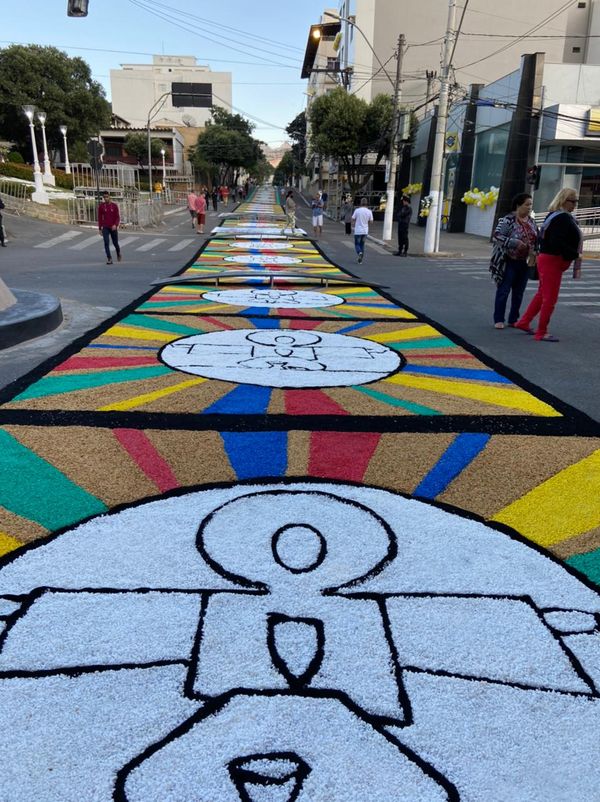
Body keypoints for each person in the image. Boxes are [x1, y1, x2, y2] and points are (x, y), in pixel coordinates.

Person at [515, 188, 582, 342]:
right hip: (553, 260)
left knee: (542, 294)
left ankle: (524, 322)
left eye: (576, 201)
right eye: (573, 201)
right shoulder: (562, 218)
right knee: (550, 298)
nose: (575, 204)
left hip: (548, 258)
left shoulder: (554, 215)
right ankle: (541, 332)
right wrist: (575, 254)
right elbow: (556, 242)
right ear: (564, 201)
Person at [491, 192, 538, 329]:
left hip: (525, 261)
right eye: (527, 204)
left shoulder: (532, 222)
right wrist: (514, 243)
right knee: (504, 291)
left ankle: (513, 319)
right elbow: (497, 236)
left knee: (519, 292)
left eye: (531, 205)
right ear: (518, 205)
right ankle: (499, 319)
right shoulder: (508, 220)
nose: (529, 207)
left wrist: (535, 251)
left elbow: (537, 238)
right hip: (508, 260)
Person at [98, 191, 121, 265]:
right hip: (105, 227)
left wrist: (115, 225)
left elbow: (117, 217)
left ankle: (118, 252)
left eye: (107, 197)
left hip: (113, 227)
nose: (106, 198)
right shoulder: (101, 206)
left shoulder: (114, 206)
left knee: (115, 243)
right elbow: (100, 218)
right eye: (104, 197)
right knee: (106, 242)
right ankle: (109, 258)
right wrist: (100, 228)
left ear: (109, 197)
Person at [351, 197, 373, 264]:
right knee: (362, 244)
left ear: (361, 203)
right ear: (367, 203)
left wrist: (353, 223)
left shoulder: (357, 210)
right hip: (365, 231)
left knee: (357, 244)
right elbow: (371, 221)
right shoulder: (369, 211)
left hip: (358, 230)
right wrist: (367, 222)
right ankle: (360, 260)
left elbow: (353, 219)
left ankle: (359, 253)